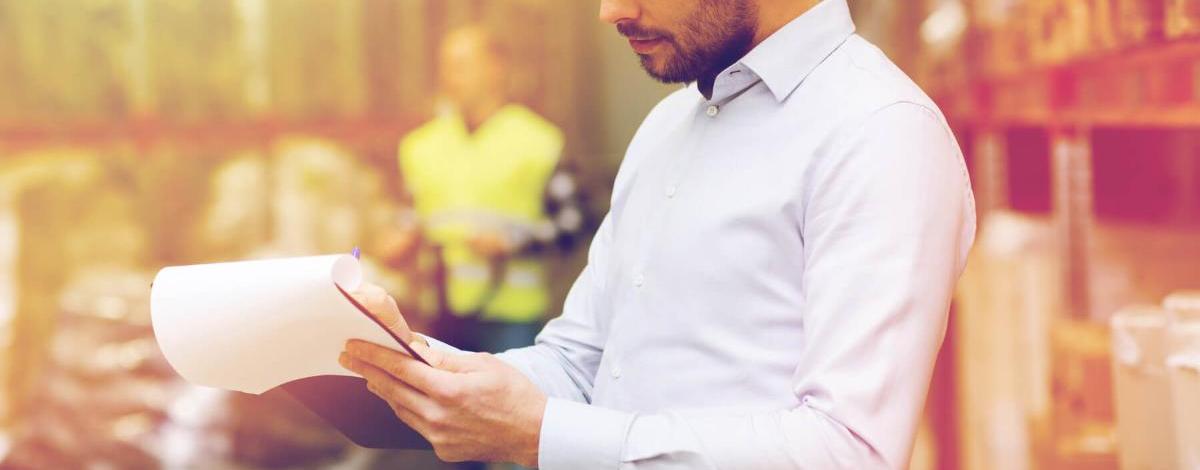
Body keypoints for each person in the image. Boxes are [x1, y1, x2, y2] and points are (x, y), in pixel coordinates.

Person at [339, 1, 976, 468]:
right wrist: (420, 367)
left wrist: (541, 434)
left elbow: (849, 452)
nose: (610, 11)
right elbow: (582, 362)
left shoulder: (880, 132)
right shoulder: (667, 128)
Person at [396, 25, 564, 354]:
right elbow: (413, 214)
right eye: (444, 66)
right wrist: (400, 238)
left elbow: (574, 224)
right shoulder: (421, 145)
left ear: (495, 68)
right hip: (439, 315)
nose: (449, 77)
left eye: (460, 65)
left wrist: (513, 242)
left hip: (510, 318)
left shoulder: (539, 140)